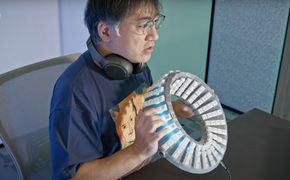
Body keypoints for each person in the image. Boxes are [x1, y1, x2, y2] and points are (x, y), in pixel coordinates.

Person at [49, 0, 193, 179]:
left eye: (155, 23)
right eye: (143, 25)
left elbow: (138, 113)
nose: (154, 35)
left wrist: (170, 110)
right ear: (106, 32)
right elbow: (77, 177)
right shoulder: (74, 93)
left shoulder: (135, 65)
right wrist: (138, 151)